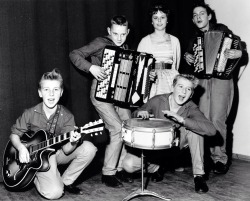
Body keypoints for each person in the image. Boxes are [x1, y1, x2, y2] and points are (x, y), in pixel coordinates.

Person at [9, 69, 97, 199]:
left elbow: (67, 151)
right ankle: (34, 175)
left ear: (61, 93)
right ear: (40, 92)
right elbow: (14, 135)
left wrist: (73, 141)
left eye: (55, 90)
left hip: (56, 153)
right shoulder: (30, 113)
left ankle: (66, 181)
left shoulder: (67, 116)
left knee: (89, 148)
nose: (51, 94)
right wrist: (21, 148)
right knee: (54, 194)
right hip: (35, 158)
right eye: (46, 90)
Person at [122, 74, 216, 193]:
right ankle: (159, 167)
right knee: (128, 165)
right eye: (180, 86)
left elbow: (211, 130)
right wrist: (141, 113)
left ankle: (199, 176)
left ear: (191, 94)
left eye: (188, 89)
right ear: (173, 87)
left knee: (195, 130)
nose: (183, 91)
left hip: (175, 147)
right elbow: (136, 112)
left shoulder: (191, 107)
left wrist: (182, 120)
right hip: (154, 150)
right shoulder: (158, 100)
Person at [69, 15, 133, 188]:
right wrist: (91, 67)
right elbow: (75, 54)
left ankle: (119, 169)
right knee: (117, 129)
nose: (119, 38)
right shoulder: (100, 42)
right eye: (115, 34)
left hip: (119, 95)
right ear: (109, 31)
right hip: (100, 92)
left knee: (127, 127)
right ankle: (108, 173)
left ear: (128, 32)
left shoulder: (125, 47)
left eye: (123, 34)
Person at [183, 2, 242, 175]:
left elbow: (238, 47)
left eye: (201, 13)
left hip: (221, 79)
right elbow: (190, 61)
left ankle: (220, 159)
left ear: (209, 16)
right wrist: (188, 56)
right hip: (201, 81)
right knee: (203, 120)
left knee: (217, 119)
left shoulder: (222, 29)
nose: (198, 17)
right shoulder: (193, 40)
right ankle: (204, 158)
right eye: (195, 15)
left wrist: (239, 53)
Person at [137, 2, 181, 98]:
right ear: (151, 21)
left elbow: (176, 65)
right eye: (155, 18)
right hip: (153, 82)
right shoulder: (144, 41)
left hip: (171, 80)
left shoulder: (175, 40)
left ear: (167, 20)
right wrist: (149, 76)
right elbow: (139, 69)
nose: (159, 21)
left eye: (163, 17)